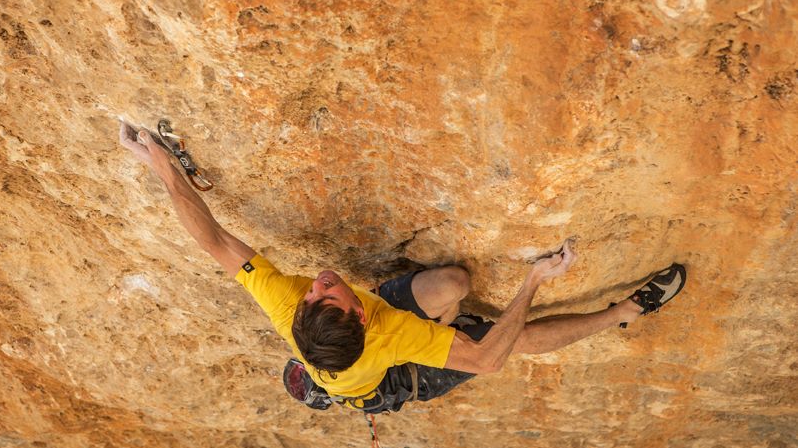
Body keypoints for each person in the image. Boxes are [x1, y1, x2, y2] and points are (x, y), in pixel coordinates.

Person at [119, 122, 686, 413]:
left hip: (358, 351)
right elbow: (488, 362)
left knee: (455, 284)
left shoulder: (283, 303)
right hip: (395, 379)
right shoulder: (389, 337)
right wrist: (533, 280)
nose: (319, 284)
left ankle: (352, 374)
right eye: (333, 295)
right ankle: (629, 310)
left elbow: (213, 240)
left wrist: (162, 166)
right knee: (501, 341)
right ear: (364, 320)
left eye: (314, 297)